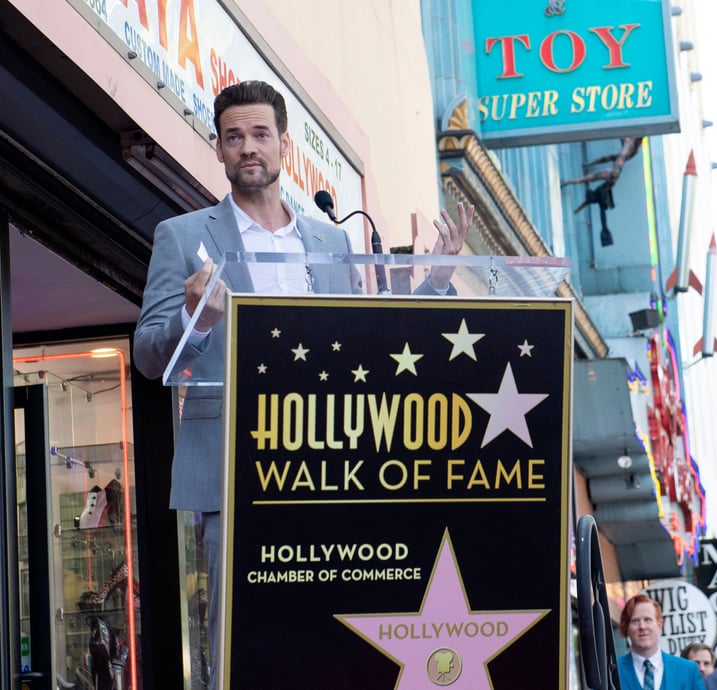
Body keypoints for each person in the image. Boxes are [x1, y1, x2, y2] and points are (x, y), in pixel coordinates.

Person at [132, 80, 473, 684]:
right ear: (219, 149)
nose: (248, 149)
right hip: (236, 469)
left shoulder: (331, 241)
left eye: (260, 135)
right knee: (243, 639)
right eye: (234, 137)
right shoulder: (183, 237)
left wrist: (436, 284)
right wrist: (194, 317)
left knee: (331, 635)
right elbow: (148, 355)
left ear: (284, 145)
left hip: (324, 465)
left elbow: (372, 349)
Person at [617, 594, 705, 690]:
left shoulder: (688, 671)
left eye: (647, 620)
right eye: (635, 621)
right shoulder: (611, 671)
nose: (642, 626)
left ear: (659, 625)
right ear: (626, 627)